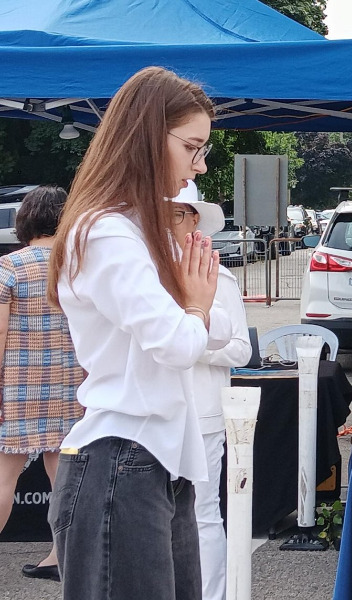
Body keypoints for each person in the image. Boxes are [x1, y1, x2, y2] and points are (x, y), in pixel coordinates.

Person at [46, 66, 231, 600]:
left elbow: (209, 331)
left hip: (150, 461)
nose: (197, 166)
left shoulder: (132, 230)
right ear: (149, 136)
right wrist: (194, 309)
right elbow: (180, 341)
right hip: (121, 459)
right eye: (192, 147)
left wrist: (196, 314)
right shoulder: (105, 232)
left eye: (203, 150)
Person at [169, 181, 252, 600]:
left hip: (202, 414)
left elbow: (240, 349)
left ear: (196, 220)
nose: (171, 224)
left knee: (201, 513)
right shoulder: (145, 271)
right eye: (163, 213)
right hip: (154, 415)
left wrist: (189, 342)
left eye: (180, 214)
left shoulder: (219, 277)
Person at [0, 186, 85, 582]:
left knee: (4, 477)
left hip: (17, 386)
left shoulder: (10, 267)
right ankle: (60, 556)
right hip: (72, 385)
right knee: (64, 479)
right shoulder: (79, 267)